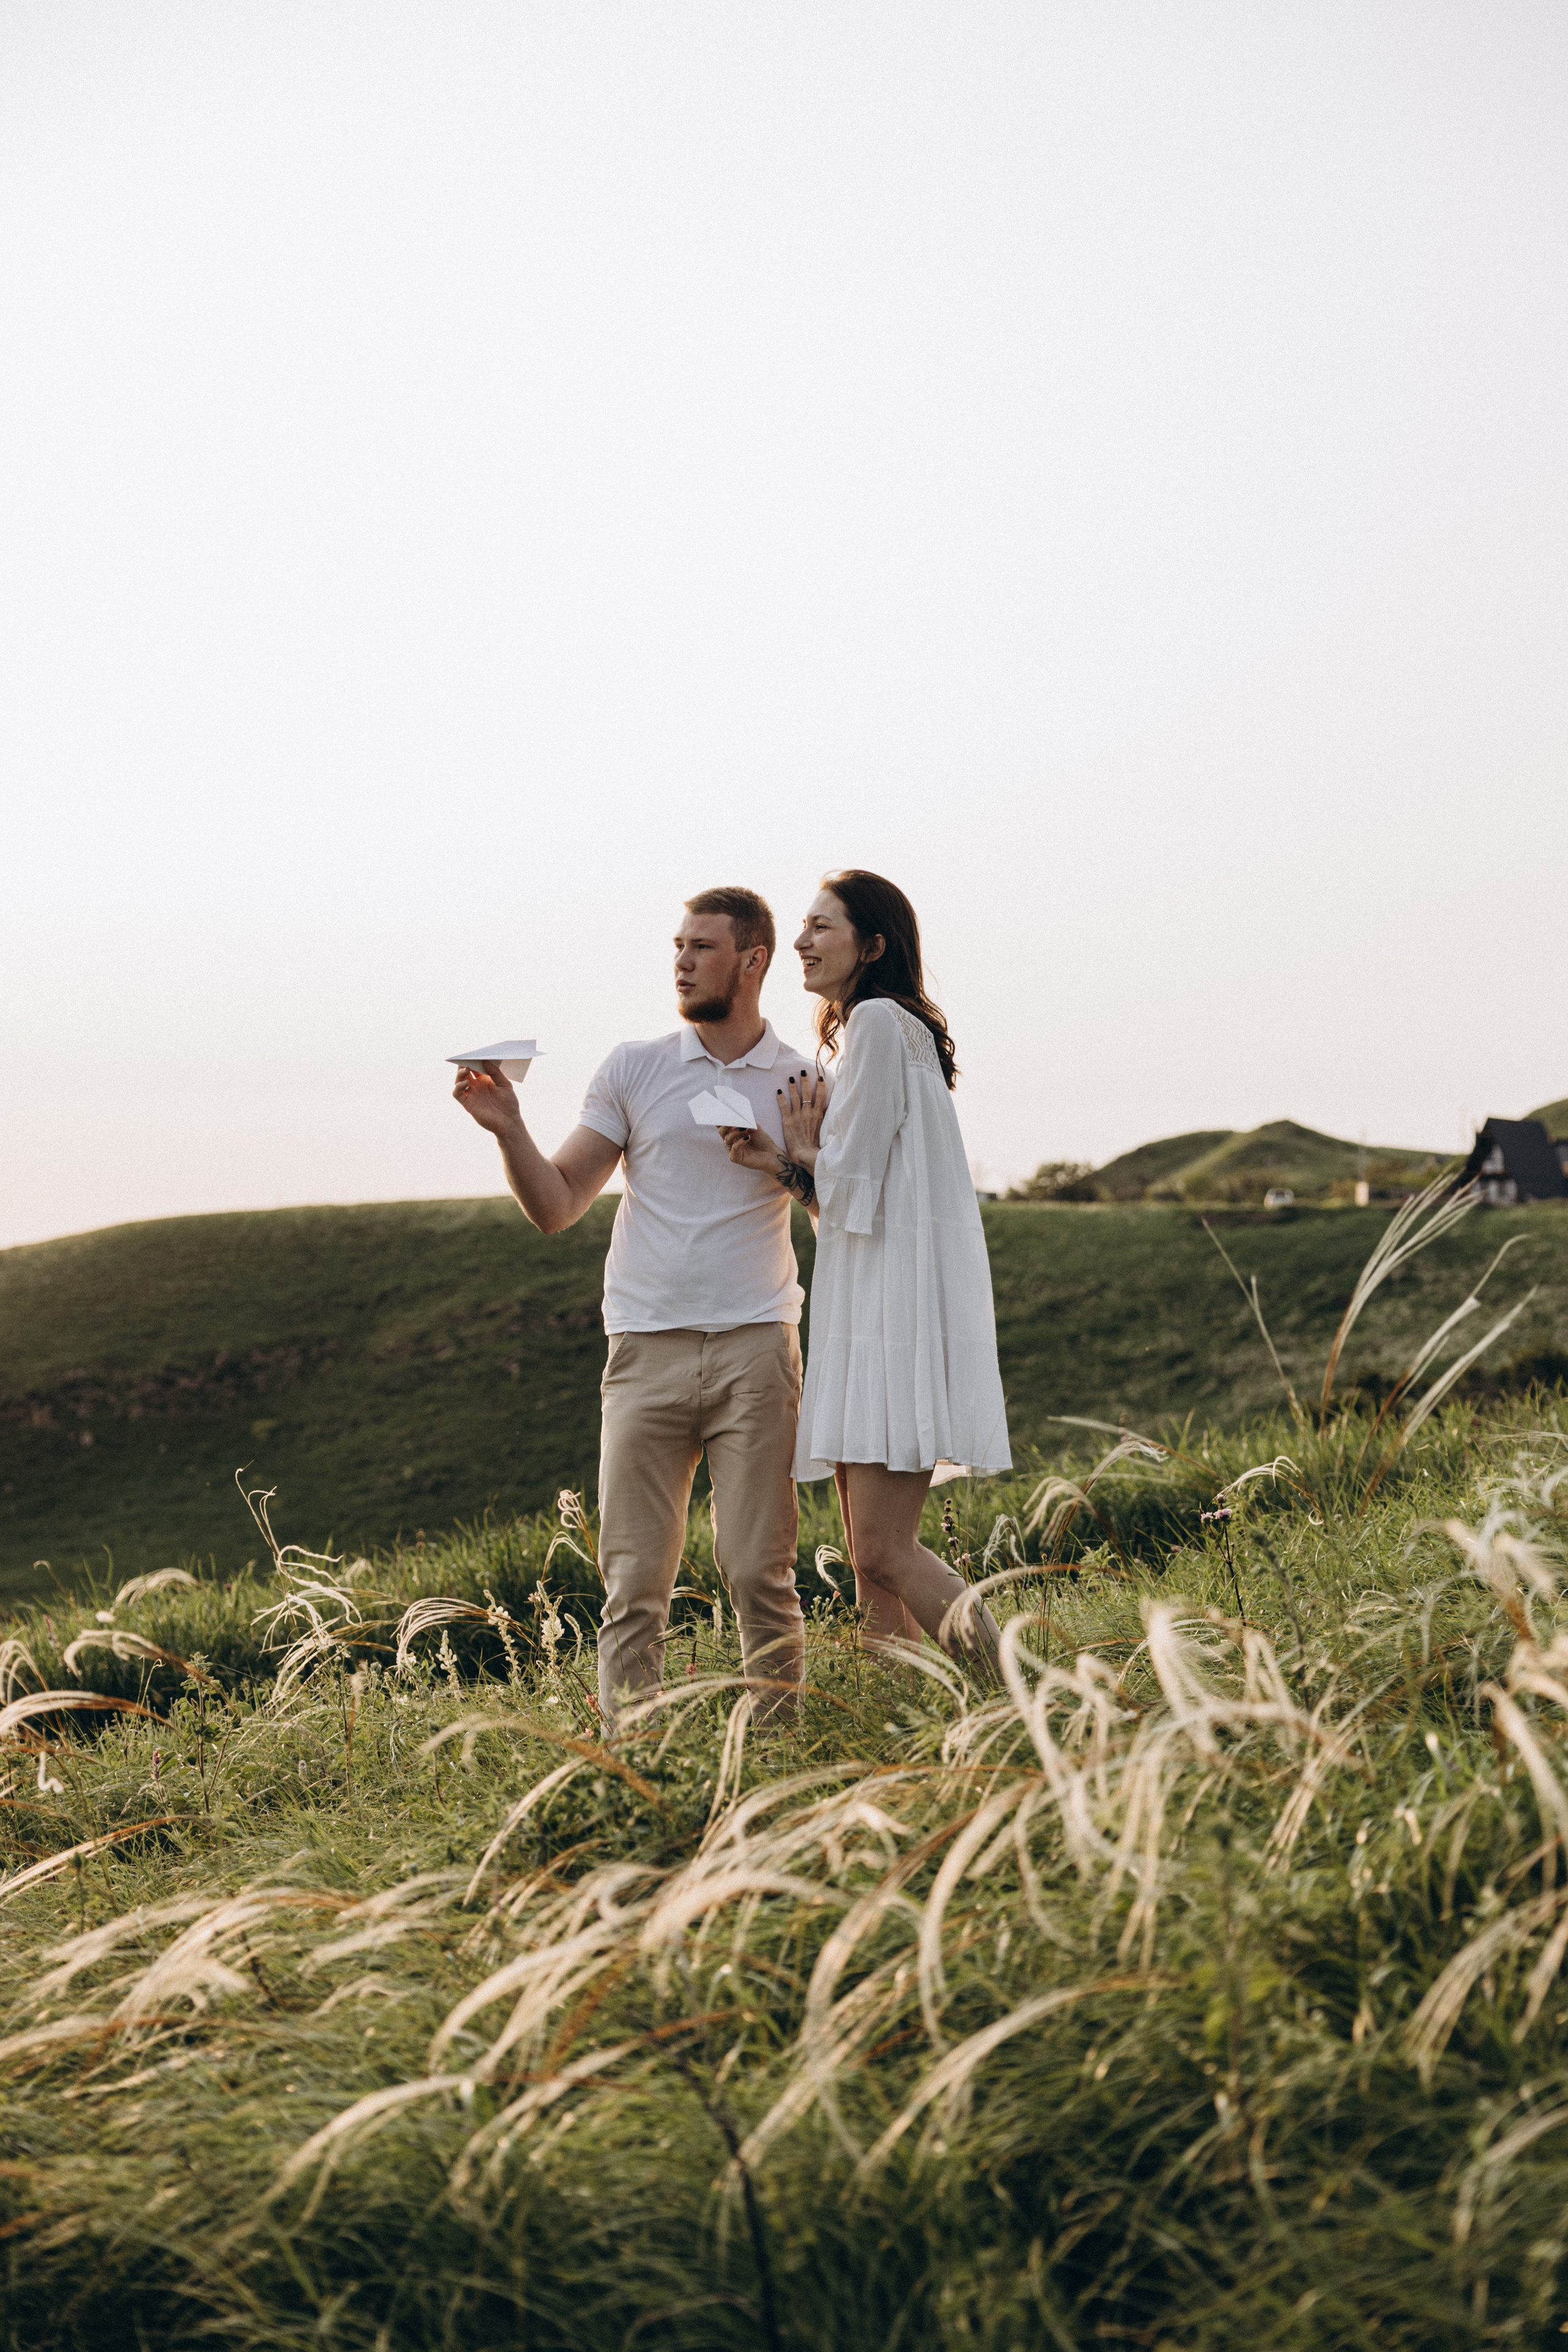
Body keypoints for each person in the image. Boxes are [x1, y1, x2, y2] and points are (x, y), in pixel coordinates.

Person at [452, 887, 823, 1726]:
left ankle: (778, 1762)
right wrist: (510, 1128)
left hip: (758, 1348)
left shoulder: (804, 1079)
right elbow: (557, 1206)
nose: (683, 962)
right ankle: (638, 1768)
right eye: (678, 947)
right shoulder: (634, 1067)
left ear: (753, 959)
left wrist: (786, 1161)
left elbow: (836, 1211)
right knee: (633, 1585)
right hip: (644, 1353)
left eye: (702, 947)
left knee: (761, 1574)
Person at [720, 871, 1008, 1670]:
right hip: (871, 1317)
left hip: (889, 1326)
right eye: (803, 926)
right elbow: (848, 1208)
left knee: (885, 1553)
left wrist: (806, 1153)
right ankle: (897, 1726)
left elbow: (855, 1192)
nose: (803, 942)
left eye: (823, 927)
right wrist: (784, 1162)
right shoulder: (885, 1034)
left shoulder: (880, 1023)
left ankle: (1026, 1699)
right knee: (868, 1565)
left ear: (873, 947)